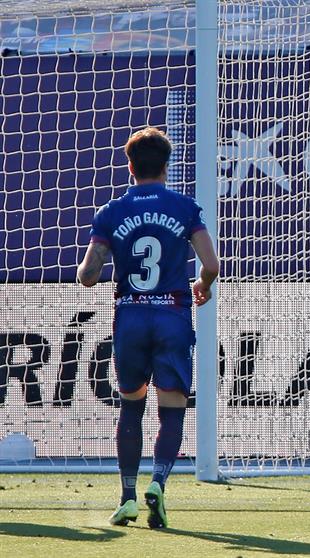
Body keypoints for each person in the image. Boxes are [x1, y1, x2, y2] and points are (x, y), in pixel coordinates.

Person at [77, 127, 219, 528]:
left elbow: (88, 275)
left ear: (130, 164)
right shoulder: (184, 207)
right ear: (166, 166)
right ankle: (157, 483)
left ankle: (126, 496)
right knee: (171, 411)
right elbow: (210, 265)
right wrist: (201, 286)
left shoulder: (111, 212)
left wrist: (99, 260)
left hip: (131, 317)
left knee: (131, 408)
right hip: (172, 316)